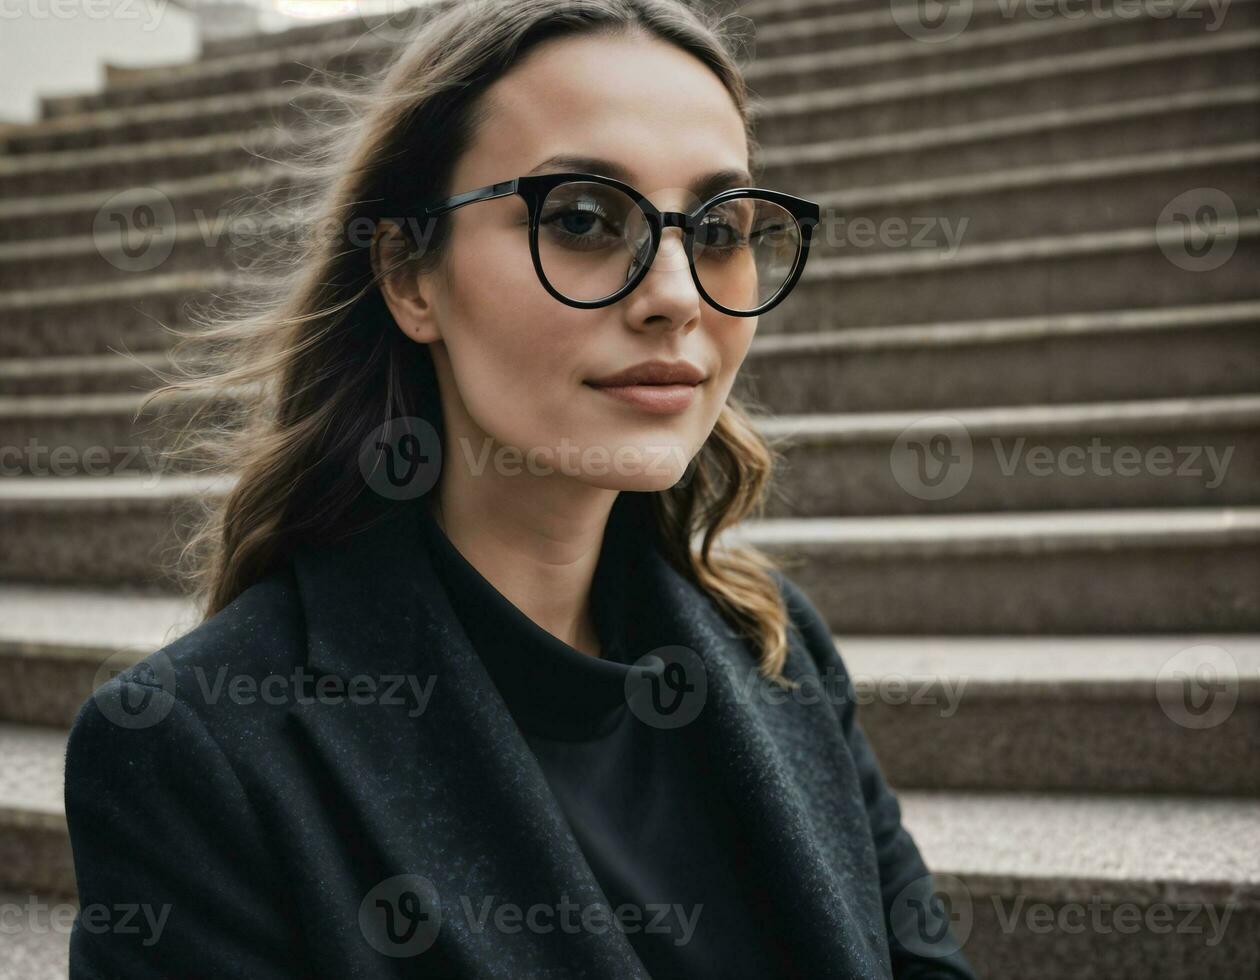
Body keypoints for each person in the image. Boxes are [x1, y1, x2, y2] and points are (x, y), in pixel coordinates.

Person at [63, 1, 977, 976]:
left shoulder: (778, 647)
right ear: (411, 276)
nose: (676, 293)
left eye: (722, 227)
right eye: (582, 218)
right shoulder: (199, 747)